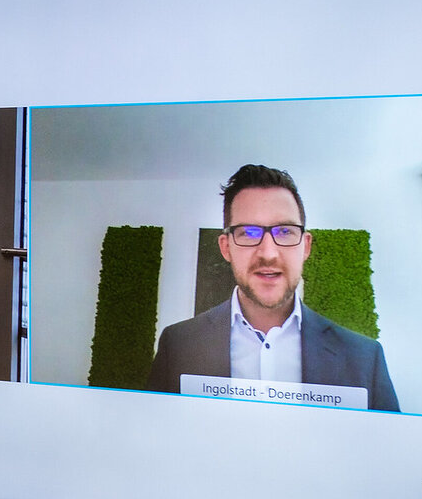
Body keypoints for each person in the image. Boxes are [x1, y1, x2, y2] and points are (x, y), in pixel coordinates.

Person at [146, 163, 399, 411]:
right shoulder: (178, 345)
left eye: (285, 231)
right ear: (226, 247)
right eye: (248, 232)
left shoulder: (366, 359)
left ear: (306, 246)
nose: (268, 253)